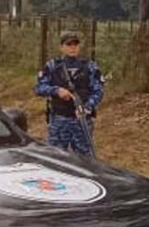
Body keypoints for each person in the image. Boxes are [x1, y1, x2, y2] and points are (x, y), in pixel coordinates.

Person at [34, 30, 104, 158]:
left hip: (81, 121)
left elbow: (98, 91)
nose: (73, 48)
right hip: (59, 121)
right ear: (62, 47)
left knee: (85, 160)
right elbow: (39, 88)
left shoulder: (90, 67)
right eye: (69, 44)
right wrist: (57, 91)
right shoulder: (52, 66)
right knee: (55, 158)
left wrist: (87, 107)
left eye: (75, 44)